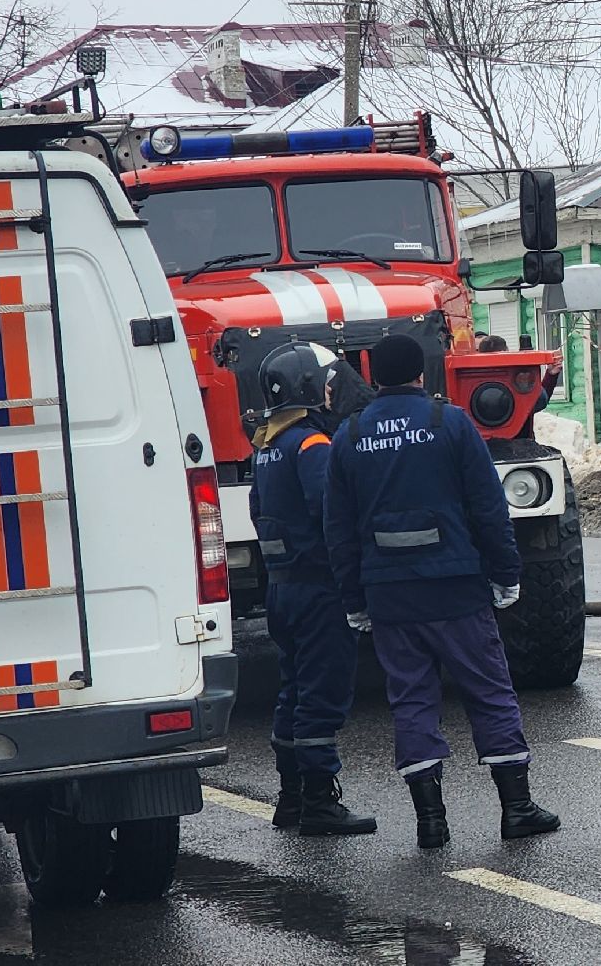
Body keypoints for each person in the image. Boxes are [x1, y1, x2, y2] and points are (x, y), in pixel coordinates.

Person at [324, 332, 559, 848]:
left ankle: (431, 823)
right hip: (456, 590)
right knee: (489, 691)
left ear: (374, 377)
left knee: (411, 700)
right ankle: (516, 808)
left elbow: (337, 529)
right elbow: (488, 507)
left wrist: (354, 599)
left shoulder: (349, 435)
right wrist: (506, 573)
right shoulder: (450, 423)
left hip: (389, 595)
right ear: (420, 374)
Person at [250, 341, 376, 837]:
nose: (331, 391)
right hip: (319, 591)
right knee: (322, 696)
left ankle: (292, 799)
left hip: (282, 590)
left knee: (293, 691)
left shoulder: (266, 448)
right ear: (307, 388)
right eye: (325, 384)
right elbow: (333, 516)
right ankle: (320, 802)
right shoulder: (311, 445)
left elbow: (258, 512)